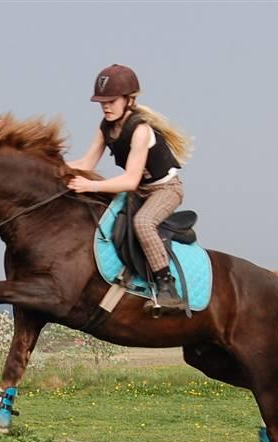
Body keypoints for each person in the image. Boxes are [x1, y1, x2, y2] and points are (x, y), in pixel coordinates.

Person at [67, 64, 193, 314]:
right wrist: (53, 168)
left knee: (143, 223)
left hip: (165, 189)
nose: (106, 106)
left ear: (129, 100)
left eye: (111, 101)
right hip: (139, 191)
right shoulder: (106, 127)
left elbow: (130, 181)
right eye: (102, 101)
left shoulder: (140, 130)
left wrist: (89, 185)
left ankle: (168, 288)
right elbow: (86, 163)